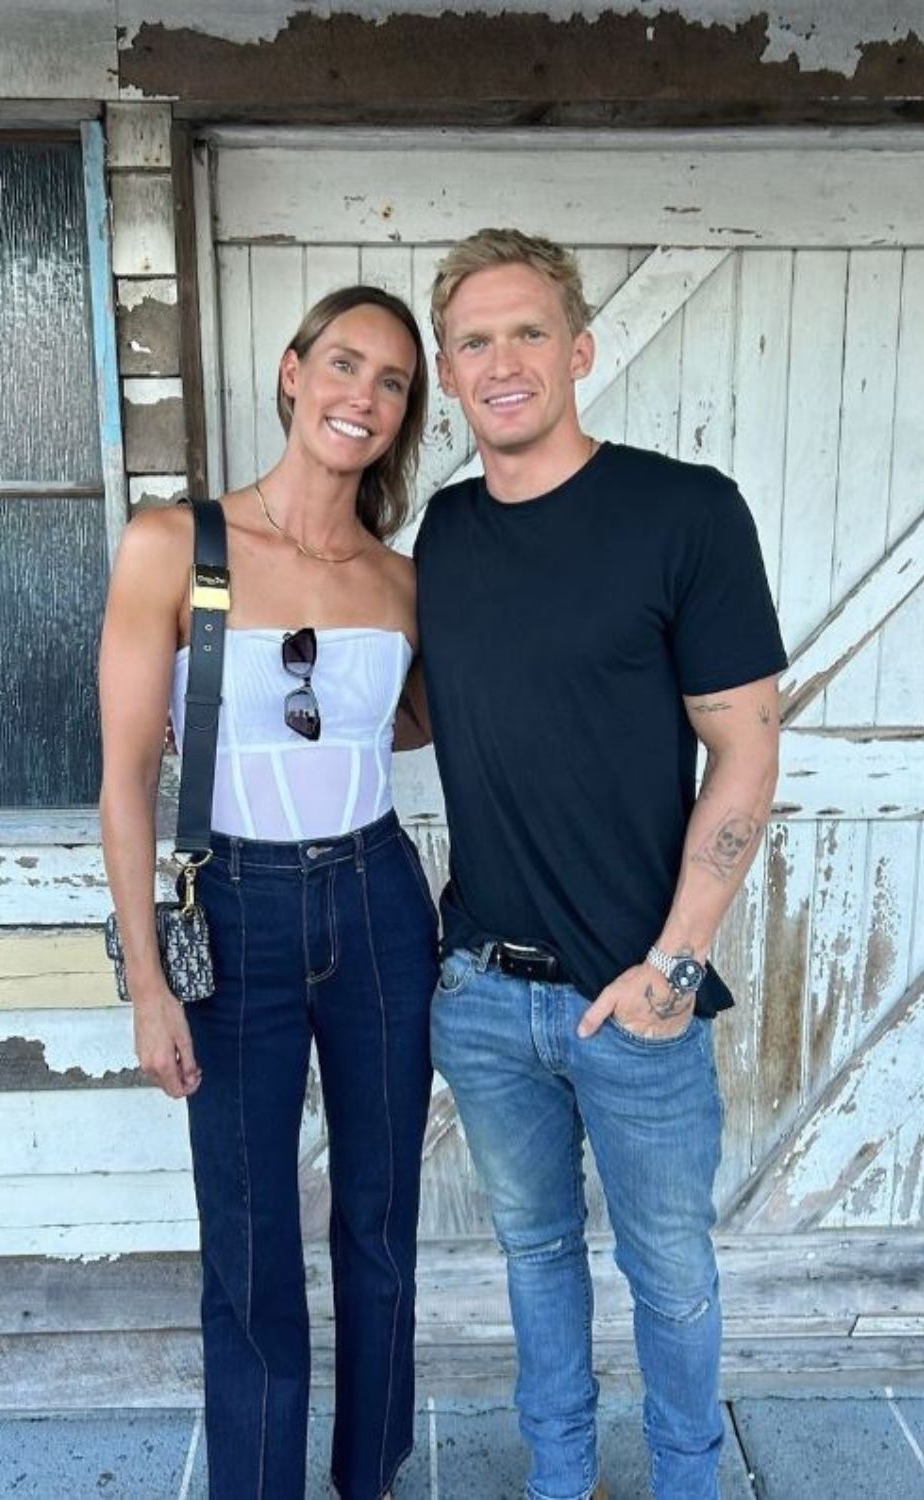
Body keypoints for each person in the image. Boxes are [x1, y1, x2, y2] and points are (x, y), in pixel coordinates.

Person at [415, 229, 787, 1500]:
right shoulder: (445, 532)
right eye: (474, 340)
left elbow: (744, 751)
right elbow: (422, 705)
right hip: (479, 991)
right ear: (449, 375)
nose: (502, 361)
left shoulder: (683, 511)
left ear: (579, 350)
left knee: (670, 1269)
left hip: (638, 997)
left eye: (527, 333)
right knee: (532, 1254)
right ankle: (558, 1478)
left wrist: (675, 966)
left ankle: (688, 1480)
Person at [99, 285, 438, 1500]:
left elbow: (404, 725)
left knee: (379, 1225)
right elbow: (129, 779)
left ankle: (371, 1478)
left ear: (404, 416)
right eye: (344, 364)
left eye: (392, 381)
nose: (362, 395)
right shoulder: (174, 545)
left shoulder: (402, 582)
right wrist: (147, 983)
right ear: (292, 373)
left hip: (380, 906)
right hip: (231, 912)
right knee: (248, 1245)